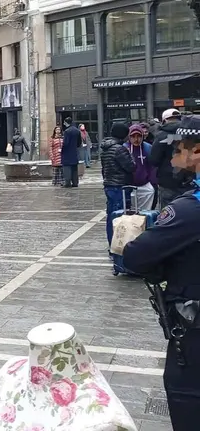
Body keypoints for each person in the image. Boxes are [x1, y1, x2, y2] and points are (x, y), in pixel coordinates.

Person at [121, 115, 200, 431]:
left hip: (194, 337)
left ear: (196, 153)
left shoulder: (189, 210)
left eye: (179, 148)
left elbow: (136, 257)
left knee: (187, 404)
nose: (174, 155)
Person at [100, 122, 136, 252]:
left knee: (111, 215)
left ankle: (112, 243)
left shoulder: (106, 148)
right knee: (119, 216)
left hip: (109, 184)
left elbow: (104, 169)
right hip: (120, 186)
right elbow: (131, 166)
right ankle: (117, 245)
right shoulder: (120, 149)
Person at [151, 108, 195, 208]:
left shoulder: (161, 136)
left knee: (168, 214)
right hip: (188, 181)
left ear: (164, 120)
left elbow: (154, 160)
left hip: (167, 182)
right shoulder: (190, 133)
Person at [124, 124, 157, 210]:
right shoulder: (124, 148)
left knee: (145, 212)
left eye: (139, 136)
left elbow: (152, 167)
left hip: (145, 185)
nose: (136, 139)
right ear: (129, 137)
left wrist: (152, 183)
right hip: (129, 185)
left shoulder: (148, 148)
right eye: (133, 136)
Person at [61, 117, 81, 187]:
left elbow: (65, 143)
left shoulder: (67, 131)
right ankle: (75, 182)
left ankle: (67, 182)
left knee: (67, 168)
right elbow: (79, 143)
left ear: (66, 122)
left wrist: (62, 150)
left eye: (64, 122)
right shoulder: (77, 131)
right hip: (74, 152)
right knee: (74, 168)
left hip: (67, 153)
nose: (63, 124)